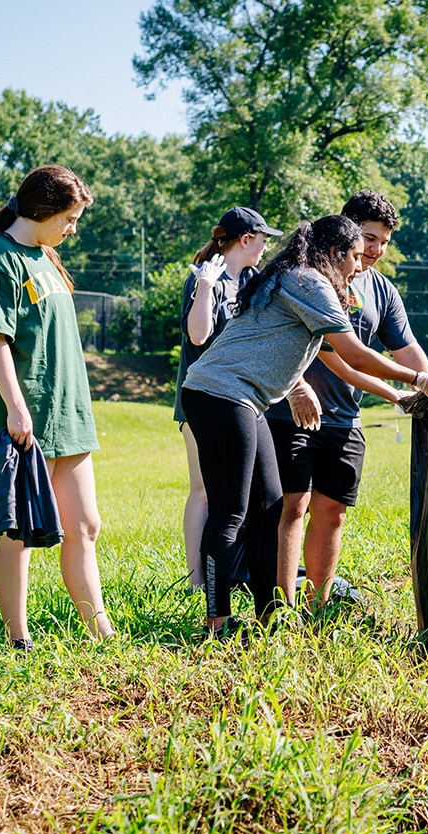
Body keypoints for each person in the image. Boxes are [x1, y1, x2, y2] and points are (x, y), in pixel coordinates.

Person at [180, 214, 428, 638]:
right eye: (356, 255)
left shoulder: (302, 280)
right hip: (218, 394)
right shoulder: (308, 281)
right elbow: (356, 354)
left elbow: (329, 359)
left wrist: (395, 393)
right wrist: (418, 379)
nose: (360, 266)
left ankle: (270, 619)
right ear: (334, 253)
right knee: (231, 511)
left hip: (243, 400)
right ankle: (217, 624)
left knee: (269, 507)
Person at [0, 164, 115, 649]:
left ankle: (102, 634)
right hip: (30, 414)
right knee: (21, 530)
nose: (72, 229)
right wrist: (16, 408)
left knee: (85, 525)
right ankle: (18, 638)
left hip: (69, 413)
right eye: (68, 219)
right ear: (43, 210)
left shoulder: (46, 257)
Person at [266, 191, 428, 605]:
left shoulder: (382, 290)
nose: (376, 251)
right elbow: (284, 340)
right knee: (292, 507)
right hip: (292, 412)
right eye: (370, 239)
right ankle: (280, 610)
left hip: (345, 418)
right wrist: (297, 387)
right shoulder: (307, 276)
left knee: (332, 513)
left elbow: (406, 348)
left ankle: (318, 605)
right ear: (348, 232)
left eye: (384, 243)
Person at [173, 207, 282, 589]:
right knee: (204, 490)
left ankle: (234, 573)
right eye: (262, 239)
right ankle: (197, 580)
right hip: (202, 398)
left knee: (248, 497)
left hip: (241, 400)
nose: (265, 247)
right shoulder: (206, 277)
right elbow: (198, 335)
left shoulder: (253, 280)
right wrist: (205, 286)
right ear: (246, 239)